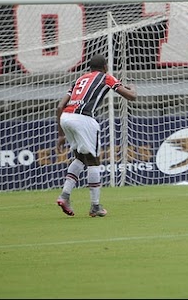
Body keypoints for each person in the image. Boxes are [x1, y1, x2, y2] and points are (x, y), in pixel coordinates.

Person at [55, 54, 137, 217]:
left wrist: (61, 135)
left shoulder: (79, 80)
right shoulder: (106, 77)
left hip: (66, 117)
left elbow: (60, 106)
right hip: (83, 119)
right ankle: (95, 206)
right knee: (93, 161)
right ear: (105, 67)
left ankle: (65, 196)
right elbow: (131, 96)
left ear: (90, 68)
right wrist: (133, 87)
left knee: (80, 158)